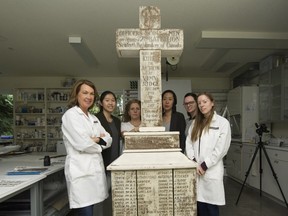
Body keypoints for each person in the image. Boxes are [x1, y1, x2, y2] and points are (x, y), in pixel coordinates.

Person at [61, 79, 112, 216]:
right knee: (85, 213)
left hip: (95, 174)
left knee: (96, 212)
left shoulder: (93, 118)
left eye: (91, 94)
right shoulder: (71, 116)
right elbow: (82, 144)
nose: (89, 97)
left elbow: (109, 139)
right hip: (81, 174)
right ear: (76, 94)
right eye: (85, 93)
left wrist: (94, 140)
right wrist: (99, 142)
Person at [185, 92, 231, 216]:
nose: (201, 105)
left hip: (211, 170)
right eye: (199, 103)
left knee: (211, 207)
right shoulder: (195, 123)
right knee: (200, 207)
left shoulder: (222, 123)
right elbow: (188, 143)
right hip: (197, 170)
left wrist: (204, 165)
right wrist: (194, 162)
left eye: (204, 102)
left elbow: (221, 149)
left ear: (212, 103)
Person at [96, 91, 121, 184]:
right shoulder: (96, 119)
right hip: (101, 162)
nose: (110, 103)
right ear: (101, 103)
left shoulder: (117, 121)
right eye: (107, 100)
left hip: (115, 162)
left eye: (113, 100)